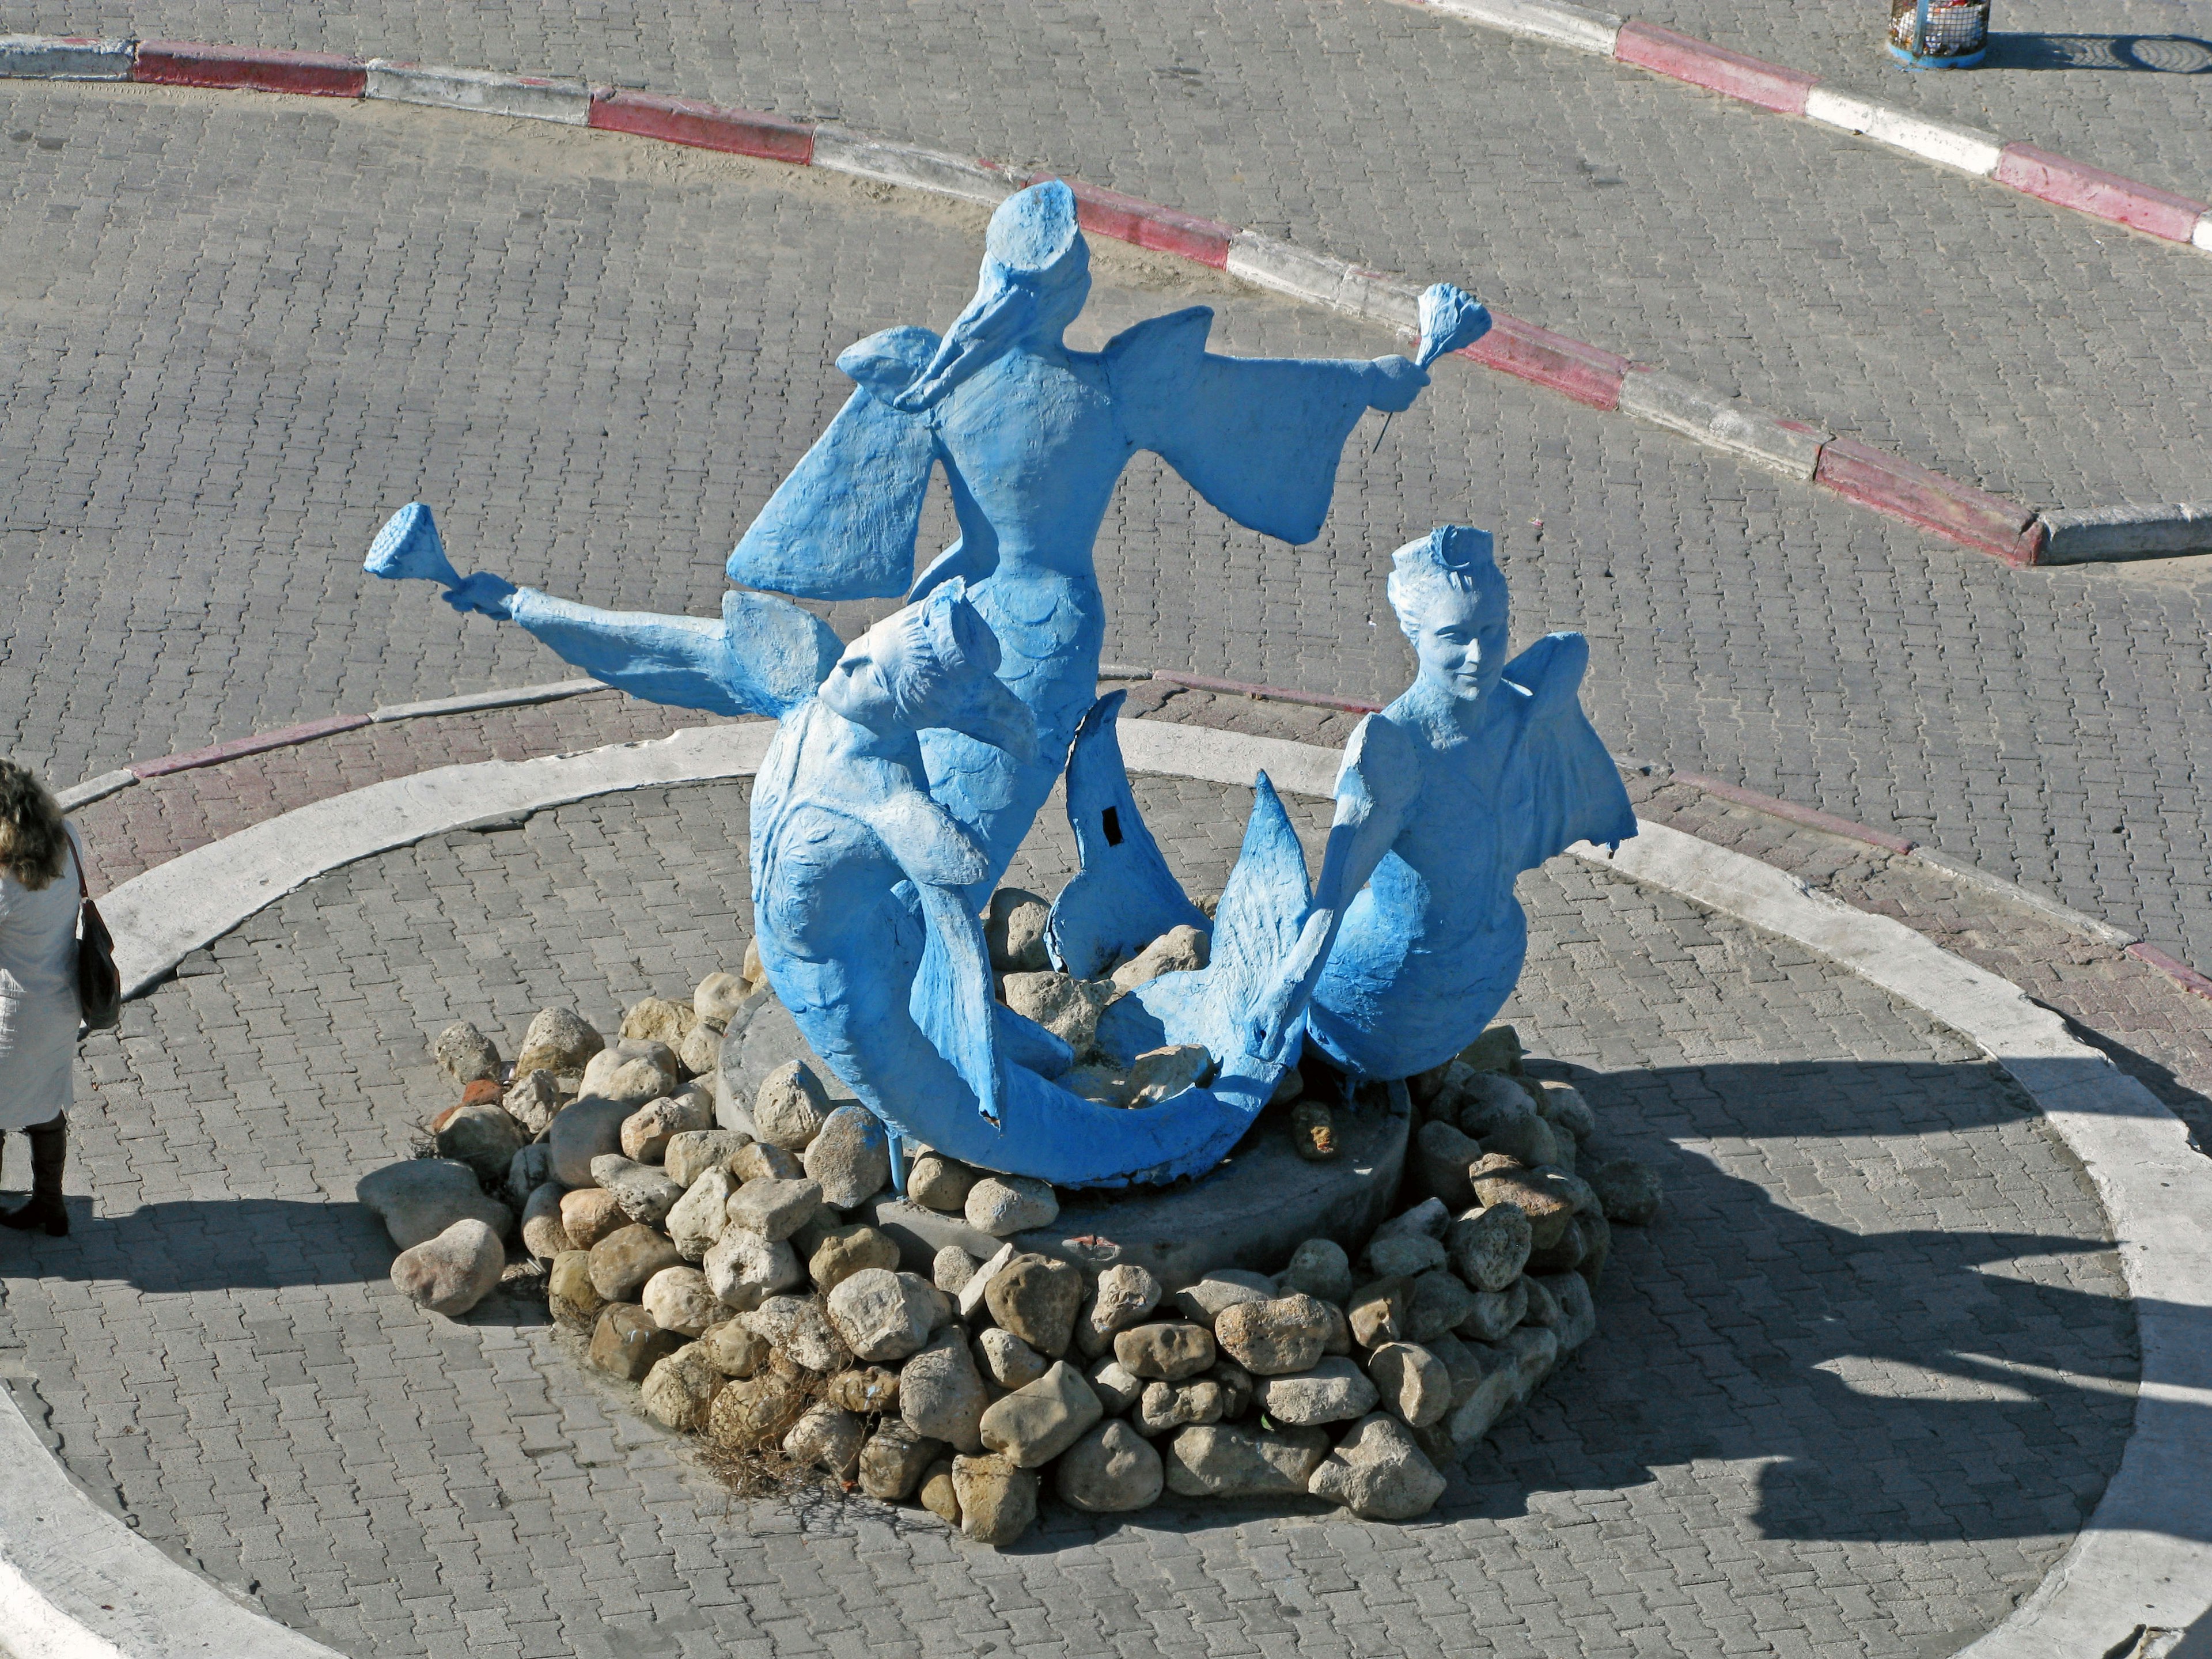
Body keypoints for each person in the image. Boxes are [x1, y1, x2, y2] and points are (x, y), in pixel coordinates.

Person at [1249, 526, 1638, 1085]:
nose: (1479, 655)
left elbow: (1566, 655)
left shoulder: (1523, 714)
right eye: (1455, 636)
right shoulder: (1393, 751)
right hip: (1381, 1004)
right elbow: (1334, 894)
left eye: (1493, 630)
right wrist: (1288, 988)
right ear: (1417, 635)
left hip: (1490, 966)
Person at [0, 762, 85, 1236]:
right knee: (45, 1102)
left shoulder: (5, 882)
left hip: (11, 1013)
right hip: (60, 1002)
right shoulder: (69, 839)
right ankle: (50, 1207)